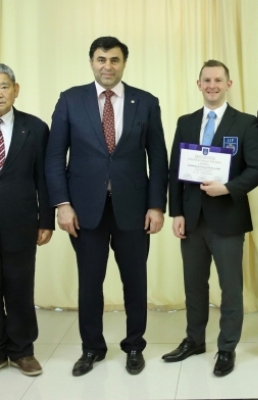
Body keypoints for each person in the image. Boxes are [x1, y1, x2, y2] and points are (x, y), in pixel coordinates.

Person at [45, 37, 168, 376]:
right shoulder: (70, 100)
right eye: (101, 59)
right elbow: (55, 156)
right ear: (91, 62)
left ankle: (134, 347)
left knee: (135, 281)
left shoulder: (146, 102)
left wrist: (157, 205)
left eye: (114, 60)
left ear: (123, 63)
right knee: (89, 282)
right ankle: (92, 348)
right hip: (84, 210)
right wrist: (62, 204)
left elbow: (158, 157)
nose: (108, 66)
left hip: (133, 207)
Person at [164, 60, 258, 377]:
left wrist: (229, 187)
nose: (212, 85)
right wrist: (177, 212)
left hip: (228, 219)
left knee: (230, 288)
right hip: (192, 219)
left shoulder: (246, 124)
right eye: (206, 80)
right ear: (199, 84)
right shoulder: (186, 122)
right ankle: (194, 340)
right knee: (194, 287)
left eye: (218, 80)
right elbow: (174, 171)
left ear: (228, 84)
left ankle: (226, 348)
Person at [0, 64, 54, 376]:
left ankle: (22, 351)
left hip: (20, 222)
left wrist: (45, 218)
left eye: (4, 86)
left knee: (19, 288)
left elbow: (44, 179)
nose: (0, 93)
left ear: (15, 89)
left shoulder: (34, 128)